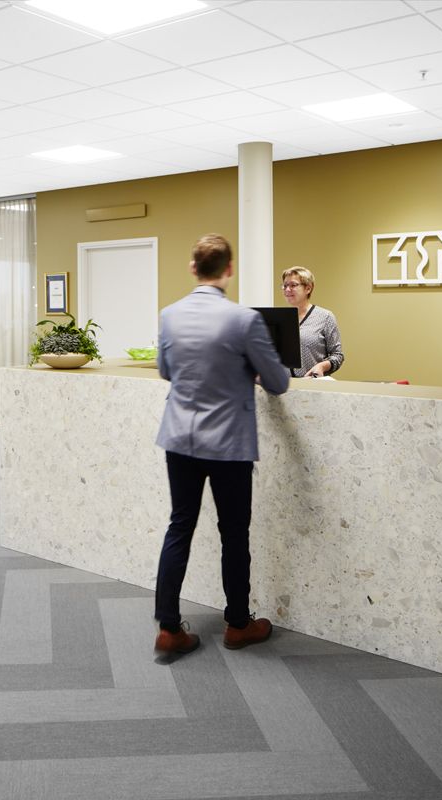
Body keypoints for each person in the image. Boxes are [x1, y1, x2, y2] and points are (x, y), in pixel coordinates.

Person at [153, 234, 290, 655]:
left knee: (180, 526)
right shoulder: (244, 320)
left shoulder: (170, 315)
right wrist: (247, 371)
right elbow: (278, 382)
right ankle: (238, 624)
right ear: (229, 269)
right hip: (229, 442)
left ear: (193, 268)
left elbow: (165, 371)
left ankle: (169, 628)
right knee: (233, 533)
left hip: (180, 437)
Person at [281, 266, 343, 379]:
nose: (287, 289)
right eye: (285, 285)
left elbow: (337, 355)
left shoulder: (325, 317)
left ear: (308, 288)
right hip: (284, 385)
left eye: (293, 285)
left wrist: (321, 366)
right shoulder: (280, 318)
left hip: (313, 383)